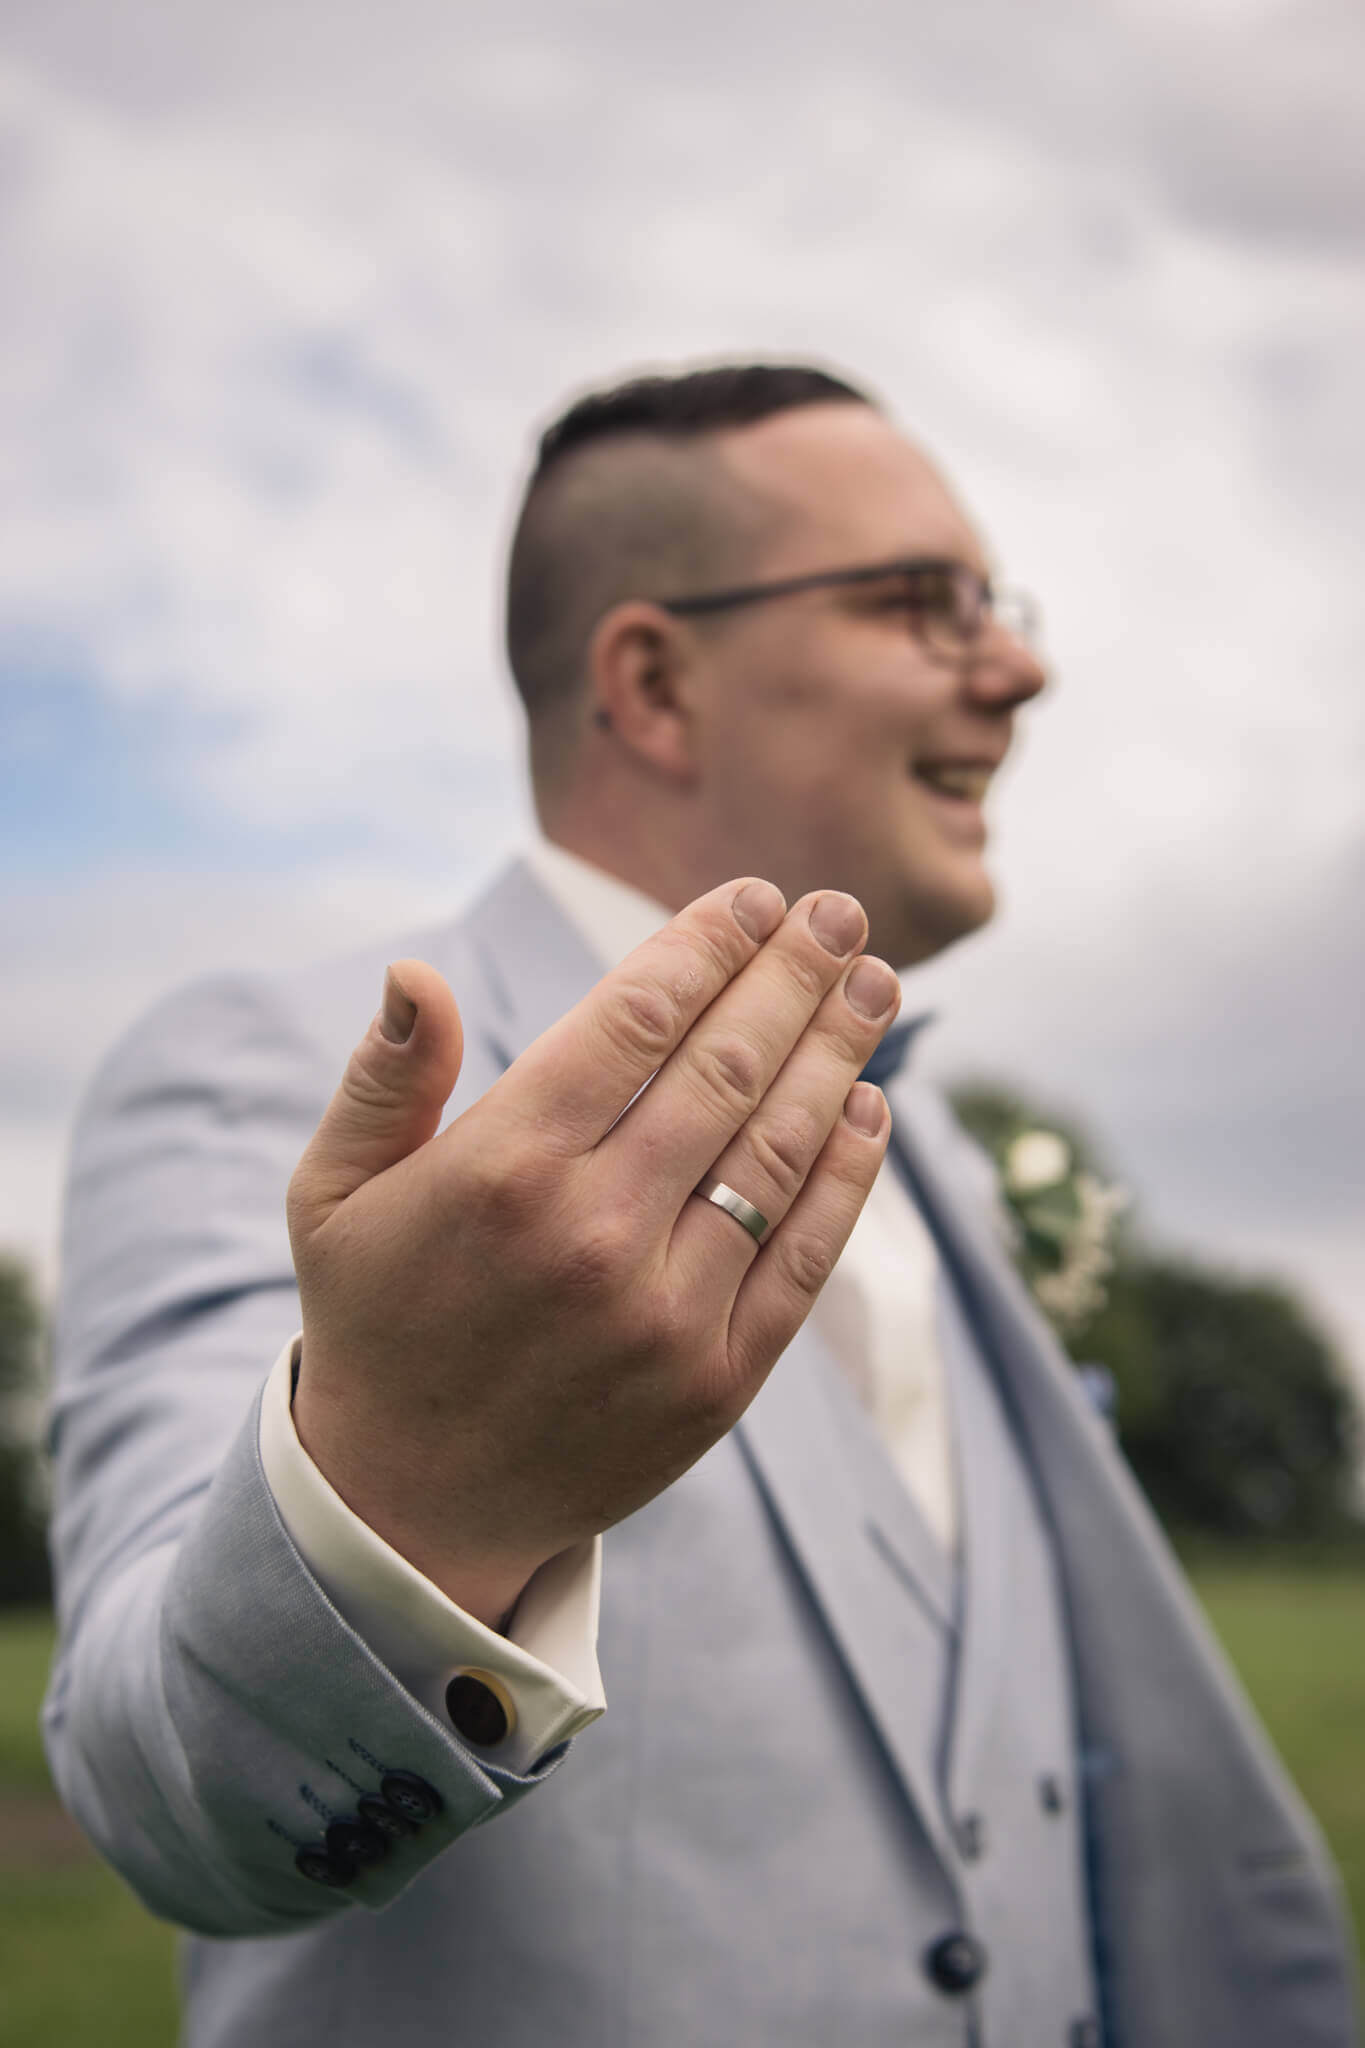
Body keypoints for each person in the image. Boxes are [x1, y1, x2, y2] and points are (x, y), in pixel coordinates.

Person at [45, 364, 1355, 2047]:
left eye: (996, 607)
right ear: (655, 684)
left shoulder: (936, 1165)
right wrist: (402, 1504)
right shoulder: (269, 1066)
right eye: (920, 602)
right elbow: (158, 1795)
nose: (1018, 669)